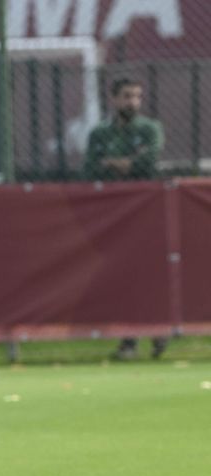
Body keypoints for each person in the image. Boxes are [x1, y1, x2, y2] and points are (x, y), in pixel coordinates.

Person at [84, 77, 169, 360]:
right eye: (127, 96)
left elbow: (149, 162)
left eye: (137, 96)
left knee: (149, 273)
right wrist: (127, 163)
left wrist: (115, 163)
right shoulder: (99, 133)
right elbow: (91, 169)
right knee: (121, 275)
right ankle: (128, 341)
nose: (132, 102)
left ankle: (159, 330)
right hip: (111, 214)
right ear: (114, 99)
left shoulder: (149, 129)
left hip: (145, 210)